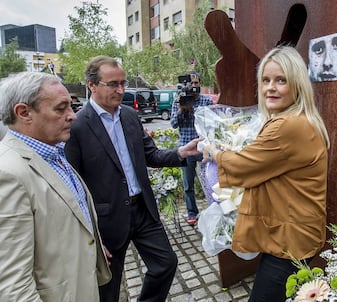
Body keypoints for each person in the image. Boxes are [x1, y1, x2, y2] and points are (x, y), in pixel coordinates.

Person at [64, 55, 201, 302]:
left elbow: (151, 154)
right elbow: (71, 185)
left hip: (143, 210)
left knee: (166, 264)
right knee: (109, 287)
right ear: (91, 85)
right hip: (107, 219)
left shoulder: (128, 115)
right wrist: (89, 235)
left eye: (123, 83)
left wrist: (181, 152)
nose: (121, 90)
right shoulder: (77, 126)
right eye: (113, 84)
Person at [203, 46, 330, 302]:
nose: (271, 87)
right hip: (295, 233)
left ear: (297, 84)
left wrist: (213, 151)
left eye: (281, 80)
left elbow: (242, 167)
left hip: (290, 241)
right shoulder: (299, 119)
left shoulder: (287, 125)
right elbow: (264, 161)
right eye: (265, 80)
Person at [0, 72, 111, 301]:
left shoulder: (52, 152)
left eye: (71, 107)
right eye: (61, 109)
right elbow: (13, 287)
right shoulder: (9, 173)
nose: (73, 116)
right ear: (24, 113)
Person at [170, 71, 213, 225]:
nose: (194, 86)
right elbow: (173, 124)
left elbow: (211, 123)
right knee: (188, 185)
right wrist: (182, 109)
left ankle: (214, 210)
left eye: (196, 83)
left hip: (203, 149)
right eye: (191, 83)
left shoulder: (206, 101)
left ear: (200, 84)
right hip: (186, 149)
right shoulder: (178, 100)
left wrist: (193, 110)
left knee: (210, 181)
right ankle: (191, 213)